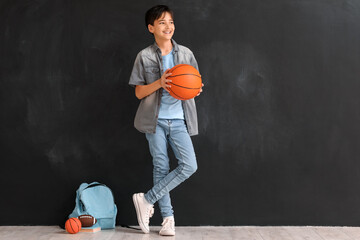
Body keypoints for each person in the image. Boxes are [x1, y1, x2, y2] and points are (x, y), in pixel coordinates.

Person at [129, 5, 203, 236]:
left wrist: (195, 89)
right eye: (161, 22)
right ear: (151, 28)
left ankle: (147, 199)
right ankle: (168, 220)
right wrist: (160, 83)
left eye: (170, 21)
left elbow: (194, 83)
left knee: (189, 165)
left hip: (180, 120)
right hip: (155, 121)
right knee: (161, 167)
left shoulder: (186, 54)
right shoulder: (144, 56)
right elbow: (139, 93)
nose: (168, 26)